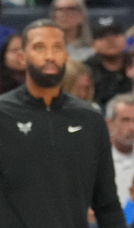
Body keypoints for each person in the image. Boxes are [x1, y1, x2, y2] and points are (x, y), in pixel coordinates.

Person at [0, 19, 125, 227]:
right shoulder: (3, 114)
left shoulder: (90, 120)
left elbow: (107, 204)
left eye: (57, 47)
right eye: (39, 47)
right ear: (22, 57)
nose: (49, 56)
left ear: (66, 56)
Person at [86, 16, 132, 107]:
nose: (110, 40)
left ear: (125, 39)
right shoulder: (86, 69)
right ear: (93, 44)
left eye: (115, 34)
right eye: (103, 36)